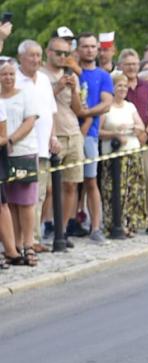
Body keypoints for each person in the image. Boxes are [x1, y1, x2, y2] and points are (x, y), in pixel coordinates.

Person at [15, 39, 58, 253]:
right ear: (20, 57)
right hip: (22, 148)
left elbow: (50, 111)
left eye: (38, 55)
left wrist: (53, 137)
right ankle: (23, 239)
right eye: (31, 55)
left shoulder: (43, 79)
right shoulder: (13, 79)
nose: (35, 59)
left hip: (43, 146)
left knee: (40, 194)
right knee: (22, 196)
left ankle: (33, 236)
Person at [43, 35, 84, 247]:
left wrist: (73, 89)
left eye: (66, 54)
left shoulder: (71, 75)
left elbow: (78, 110)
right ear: (48, 52)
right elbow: (38, 104)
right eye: (58, 53)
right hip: (52, 134)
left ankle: (64, 228)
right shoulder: (41, 74)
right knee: (48, 189)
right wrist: (57, 87)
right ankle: (43, 227)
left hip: (73, 132)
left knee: (71, 184)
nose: (61, 57)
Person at [0, 59, 39, 265]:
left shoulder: (25, 95)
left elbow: (30, 120)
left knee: (26, 202)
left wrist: (11, 139)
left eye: (11, 74)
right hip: (3, 157)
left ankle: (28, 244)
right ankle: (13, 244)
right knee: (10, 203)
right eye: (4, 74)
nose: (8, 78)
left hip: (23, 151)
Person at [119, 48, 148, 236]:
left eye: (135, 64)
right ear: (121, 65)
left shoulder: (146, 86)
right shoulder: (118, 85)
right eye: (128, 64)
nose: (131, 68)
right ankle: (129, 220)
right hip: (124, 141)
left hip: (145, 139)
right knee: (127, 182)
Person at [77, 32, 114, 243]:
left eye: (93, 46)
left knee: (91, 181)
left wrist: (85, 113)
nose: (90, 50)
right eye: (85, 46)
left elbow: (106, 103)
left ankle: (95, 227)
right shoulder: (73, 72)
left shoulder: (103, 75)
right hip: (69, 132)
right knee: (68, 183)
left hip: (90, 135)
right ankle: (67, 224)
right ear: (79, 49)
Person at [99, 72, 146, 237]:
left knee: (132, 189)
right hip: (114, 154)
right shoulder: (107, 107)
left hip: (132, 150)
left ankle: (130, 222)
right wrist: (115, 134)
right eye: (119, 85)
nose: (123, 89)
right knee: (115, 189)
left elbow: (140, 125)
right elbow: (99, 131)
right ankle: (114, 223)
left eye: (125, 86)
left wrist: (134, 128)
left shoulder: (130, 106)